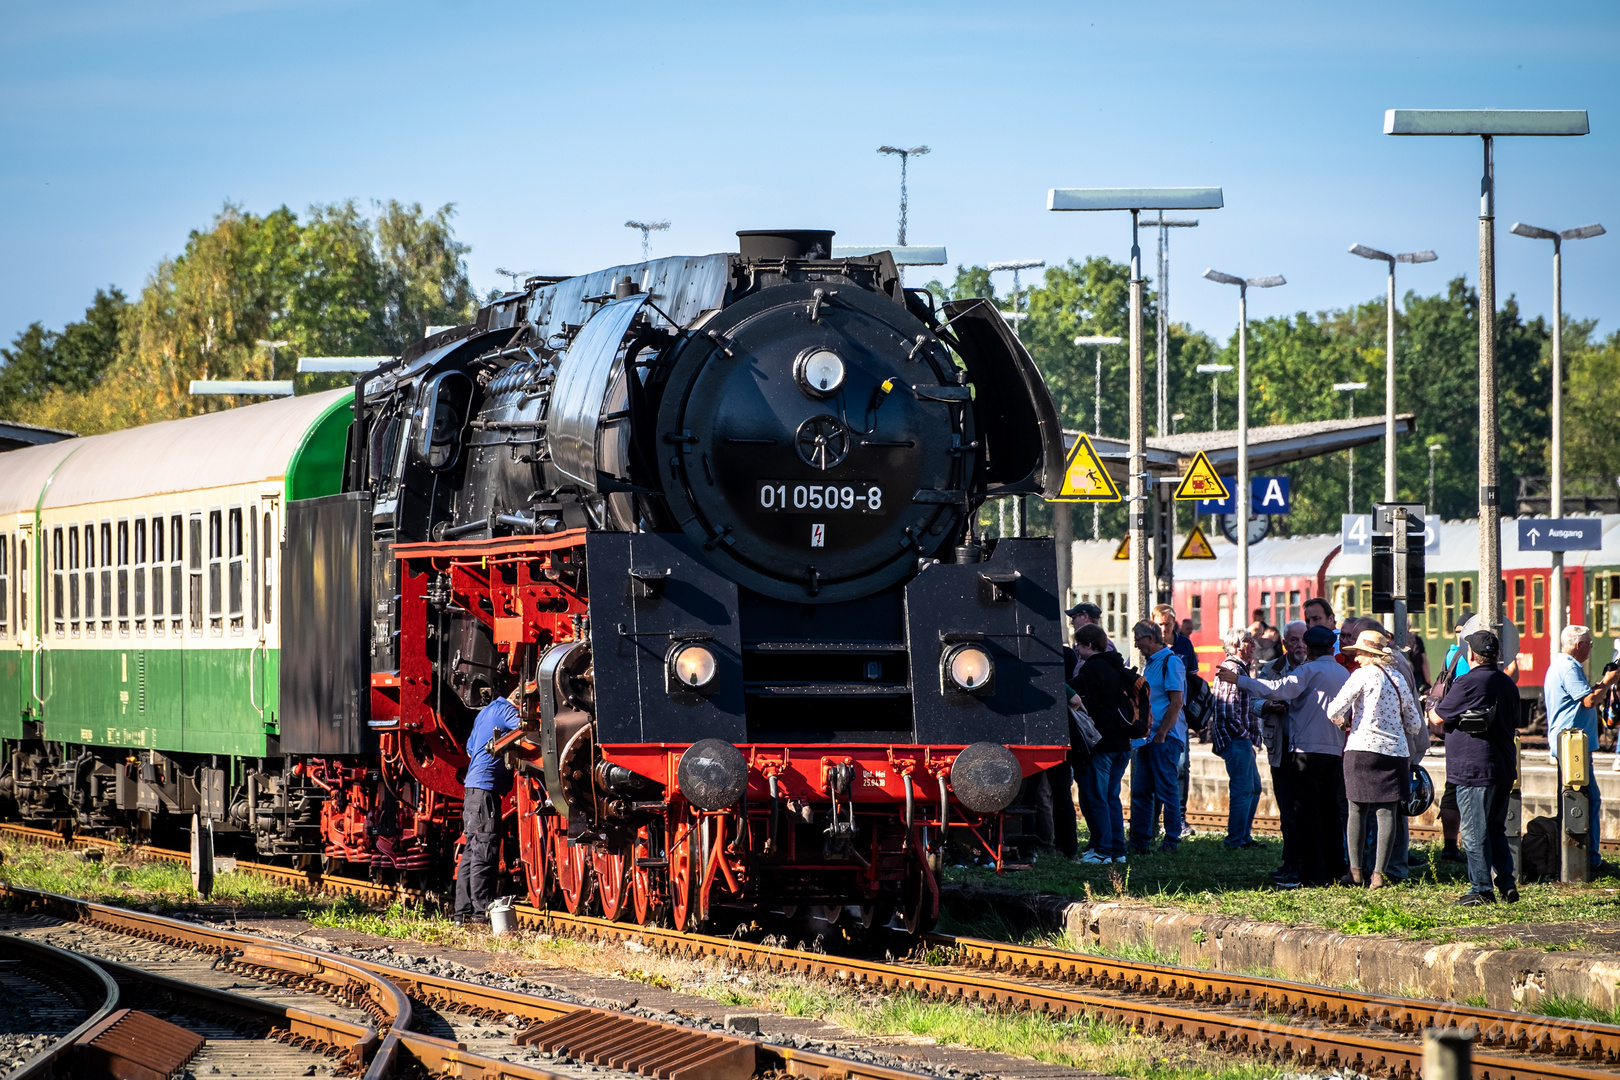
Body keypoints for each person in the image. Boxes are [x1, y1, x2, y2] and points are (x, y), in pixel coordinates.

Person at [1220, 625, 1349, 887]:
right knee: (1331, 813)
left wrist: (1240, 681)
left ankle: (1313, 875)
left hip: (1306, 752)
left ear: (1311, 649)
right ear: (1331, 648)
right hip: (1334, 750)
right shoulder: (1343, 672)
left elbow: (1278, 690)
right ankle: (1336, 869)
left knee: (1307, 814)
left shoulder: (1308, 670)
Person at [1328, 630, 1424, 889]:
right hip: (1394, 753)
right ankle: (1379, 875)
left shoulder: (1360, 676)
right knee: (1387, 813)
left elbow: (1334, 709)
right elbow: (1415, 723)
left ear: (1370, 654)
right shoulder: (1398, 678)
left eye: (1359, 653)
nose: (1356, 658)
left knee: (1356, 810)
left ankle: (1356, 872)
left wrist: (1342, 722)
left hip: (1361, 750)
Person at [1432, 630, 1520, 904]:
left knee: (1473, 832)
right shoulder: (1508, 683)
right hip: (1503, 767)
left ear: (1470, 654)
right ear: (1496, 655)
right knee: (1495, 829)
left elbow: (1437, 717)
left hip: (1473, 770)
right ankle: (1506, 883)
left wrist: (1429, 706)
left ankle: (1481, 889)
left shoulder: (1467, 682)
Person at [1545, 624, 1620, 874]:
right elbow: (1588, 700)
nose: (1590, 647)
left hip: (1570, 743)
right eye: (1589, 643)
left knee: (1579, 799)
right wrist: (1608, 683)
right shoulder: (1568, 667)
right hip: (1572, 746)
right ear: (1579, 645)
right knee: (1587, 800)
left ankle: (1579, 857)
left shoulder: (1561, 666)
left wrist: (1599, 683)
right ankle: (1589, 860)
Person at [454, 686, 523, 924]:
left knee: (472, 851)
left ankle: (461, 915)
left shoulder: (486, 712)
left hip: (473, 789)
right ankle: (481, 914)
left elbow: (471, 747)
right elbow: (527, 731)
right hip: (486, 791)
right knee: (485, 850)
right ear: (518, 700)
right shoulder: (506, 712)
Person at [1072, 623, 1135, 865]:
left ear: (1089, 645)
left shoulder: (1093, 669)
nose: (1077, 649)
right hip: (1123, 744)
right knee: (1111, 797)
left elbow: (1074, 693)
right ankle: (1118, 850)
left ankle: (1102, 850)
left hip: (1103, 745)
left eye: (1078, 644)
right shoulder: (1117, 665)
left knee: (1097, 797)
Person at [1127, 620, 1187, 855]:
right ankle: (1140, 841)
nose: (1136, 644)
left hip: (1164, 738)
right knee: (1141, 791)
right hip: (1147, 738)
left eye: (1138, 639)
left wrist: (1161, 734)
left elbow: (1177, 702)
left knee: (1166, 790)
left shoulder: (1170, 662)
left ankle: (1172, 841)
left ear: (1150, 639)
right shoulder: (1151, 664)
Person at [1257, 620, 1307, 885]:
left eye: (1303, 640)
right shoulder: (1271, 669)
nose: (1300, 645)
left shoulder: (1315, 668)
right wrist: (1267, 705)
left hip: (1308, 749)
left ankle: (1304, 861)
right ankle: (1290, 859)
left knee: (1306, 808)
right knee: (1287, 807)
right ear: (1285, 643)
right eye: (1294, 641)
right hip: (1280, 749)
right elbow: (1252, 700)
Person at [1211, 626, 1263, 849]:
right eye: (1248, 641)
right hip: (1236, 739)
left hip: (1241, 739)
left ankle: (1243, 836)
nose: (1253, 645)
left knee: (1254, 787)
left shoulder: (1240, 669)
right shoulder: (1231, 669)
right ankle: (1235, 840)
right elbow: (1226, 710)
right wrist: (1245, 736)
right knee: (1243, 789)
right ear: (1236, 646)